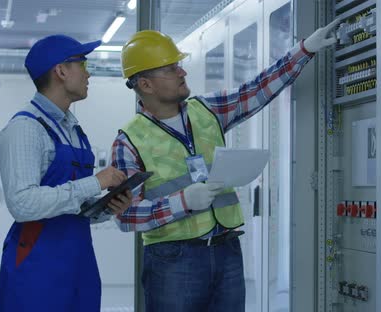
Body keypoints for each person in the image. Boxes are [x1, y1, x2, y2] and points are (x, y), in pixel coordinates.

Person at [111, 19, 340, 311]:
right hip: (173, 262)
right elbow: (125, 215)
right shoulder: (129, 141)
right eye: (170, 68)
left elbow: (257, 90)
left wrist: (304, 49)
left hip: (226, 250)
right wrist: (182, 201)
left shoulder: (207, 110)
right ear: (145, 84)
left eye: (178, 65)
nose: (181, 71)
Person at [0, 34, 133, 312]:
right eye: (82, 63)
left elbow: (69, 208)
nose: (88, 72)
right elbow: (23, 204)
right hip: (37, 266)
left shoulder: (72, 129)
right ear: (60, 71)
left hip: (79, 263)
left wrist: (106, 208)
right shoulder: (26, 129)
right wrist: (95, 182)